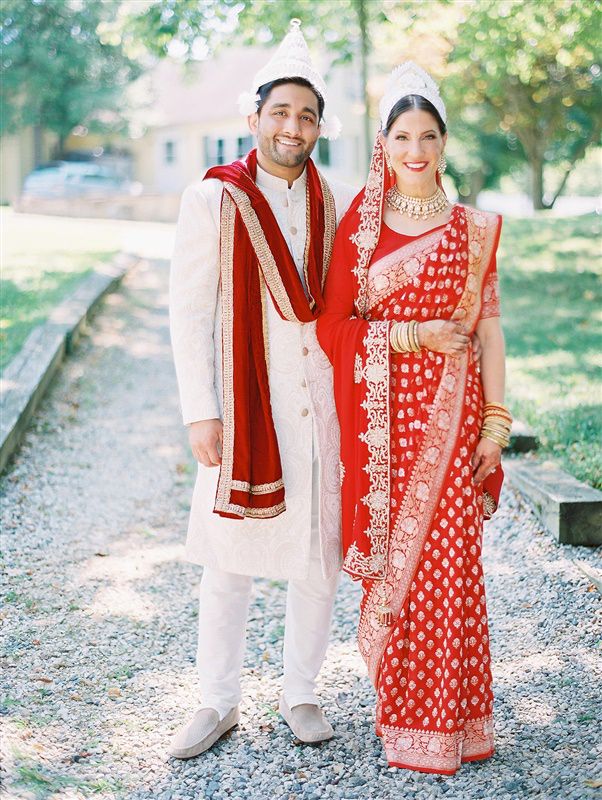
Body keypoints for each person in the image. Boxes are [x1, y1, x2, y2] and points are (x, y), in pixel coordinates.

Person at [168, 20, 357, 759]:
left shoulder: (334, 199)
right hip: (247, 409)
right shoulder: (213, 199)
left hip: (321, 405)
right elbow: (188, 310)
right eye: (280, 112)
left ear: (318, 127)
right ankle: (216, 701)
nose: (292, 126)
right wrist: (201, 410)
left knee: (318, 555)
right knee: (231, 561)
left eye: (306, 115)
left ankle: (301, 692)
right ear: (255, 119)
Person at [316, 62, 510, 775]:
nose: (415, 149)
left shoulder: (475, 229)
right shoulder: (359, 231)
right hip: (384, 431)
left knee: (452, 569)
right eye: (402, 135)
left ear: (445, 142)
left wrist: (495, 425)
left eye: (428, 134)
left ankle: (458, 725)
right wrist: (410, 335)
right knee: (398, 579)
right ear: (384, 143)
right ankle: (405, 722)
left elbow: (489, 331)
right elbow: (333, 327)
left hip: (455, 421)